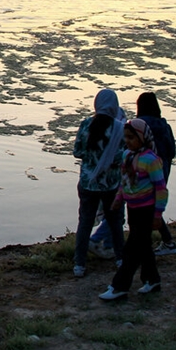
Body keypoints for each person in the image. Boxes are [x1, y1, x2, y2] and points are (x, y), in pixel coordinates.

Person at [99, 118, 168, 300]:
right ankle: (152, 280)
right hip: (133, 208)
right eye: (126, 138)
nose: (127, 141)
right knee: (144, 246)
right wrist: (118, 199)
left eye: (131, 137)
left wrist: (157, 214)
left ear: (142, 137)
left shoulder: (151, 160)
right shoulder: (126, 156)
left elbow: (161, 189)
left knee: (132, 249)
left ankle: (119, 286)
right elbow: (125, 182)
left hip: (146, 210)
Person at [72, 89, 126, 277]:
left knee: (85, 223)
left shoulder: (86, 125)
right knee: (115, 222)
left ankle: (79, 264)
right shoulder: (119, 128)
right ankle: (120, 259)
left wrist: (92, 160)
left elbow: (77, 152)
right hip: (110, 184)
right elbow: (122, 156)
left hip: (87, 183)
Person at [136, 92, 176, 256]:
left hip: (143, 171)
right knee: (153, 206)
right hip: (163, 170)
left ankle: (160, 244)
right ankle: (166, 242)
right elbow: (172, 152)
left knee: (143, 208)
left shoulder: (139, 125)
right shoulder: (164, 126)